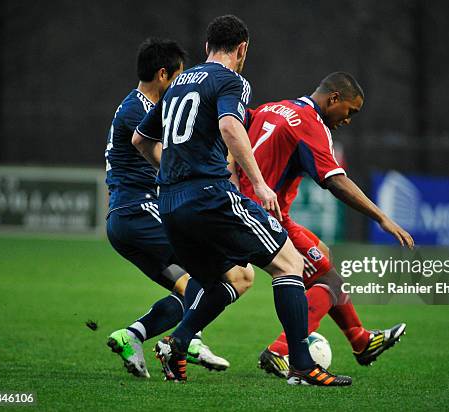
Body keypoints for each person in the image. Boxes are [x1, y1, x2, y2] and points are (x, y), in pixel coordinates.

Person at [133, 15, 351, 386]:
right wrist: (260, 184)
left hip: (169, 203)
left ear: (206, 48)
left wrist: (172, 173)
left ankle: (178, 343)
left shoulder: (178, 83)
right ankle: (301, 363)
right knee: (289, 263)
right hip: (210, 196)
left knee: (227, 279)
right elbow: (230, 126)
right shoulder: (232, 80)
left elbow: (140, 140)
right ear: (242, 49)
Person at [234, 72, 414, 377]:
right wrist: (382, 217)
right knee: (327, 282)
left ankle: (360, 340)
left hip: (241, 207)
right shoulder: (309, 123)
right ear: (333, 99)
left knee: (322, 255)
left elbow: (233, 131)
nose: (348, 120)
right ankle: (281, 350)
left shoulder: (272, 107)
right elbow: (336, 181)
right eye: (350, 111)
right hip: (265, 218)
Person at [104, 37, 252, 378]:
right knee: (223, 276)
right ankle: (190, 341)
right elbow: (174, 159)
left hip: (125, 220)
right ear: (162, 74)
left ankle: (134, 335)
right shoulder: (140, 111)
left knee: (190, 289)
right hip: (140, 211)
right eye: (177, 76)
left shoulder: (134, 105)